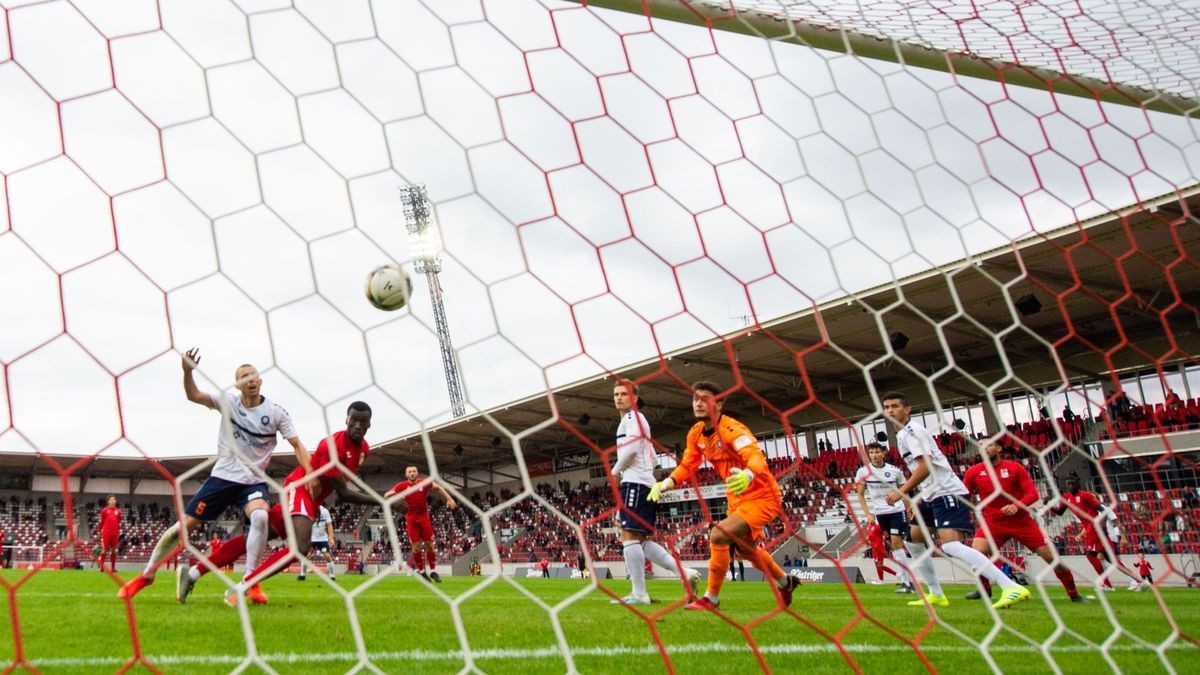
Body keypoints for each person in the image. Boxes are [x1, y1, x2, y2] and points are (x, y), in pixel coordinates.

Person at [118, 349, 314, 602]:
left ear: (260, 380)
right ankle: (146, 575)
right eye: (244, 377)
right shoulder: (228, 402)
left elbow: (297, 445)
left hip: (252, 482)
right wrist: (187, 371)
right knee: (180, 531)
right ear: (238, 384)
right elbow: (193, 395)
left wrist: (310, 474)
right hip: (222, 478)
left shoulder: (276, 413)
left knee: (261, 518)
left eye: (253, 375)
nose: (250, 380)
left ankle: (251, 582)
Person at [176, 401, 379, 604]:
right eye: (354, 420)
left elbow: (335, 483)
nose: (358, 425)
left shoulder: (364, 450)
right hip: (300, 488)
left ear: (369, 424)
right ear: (346, 420)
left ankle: (192, 573)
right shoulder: (332, 445)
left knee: (254, 538)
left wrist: (316, 505)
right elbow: (343, 493)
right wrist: (382, 501)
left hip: (312, 499)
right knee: (299, 547)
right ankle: (243, 587)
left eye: (363, 422)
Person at [648, 381, 800, 611]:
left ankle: (711, 598)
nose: (698, 403)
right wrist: (667, 482)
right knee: (747, 551)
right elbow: (688, 464)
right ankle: (785, 582)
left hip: (762, 495)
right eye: (695, 399)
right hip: (735, 498)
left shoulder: (733, 430)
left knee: (718, 535)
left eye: (705, 399)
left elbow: (756, 457)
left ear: (719, 404)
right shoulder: (696, 433)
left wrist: (748, 475)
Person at [881, 391, 1030, 610]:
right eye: (887, 407)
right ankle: (936, 593)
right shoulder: (903, 434)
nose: (890, 411)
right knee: (913, 539)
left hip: (946, 492)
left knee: (951, 545)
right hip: (931, 494)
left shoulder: (913, 432)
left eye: (895, 406)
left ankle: (1009, 585)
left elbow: (926, 466)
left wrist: (901, 492)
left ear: (907, 409)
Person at [608, 379, 701, 605]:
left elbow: (630, 452)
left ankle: (640, 594)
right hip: (644, 483)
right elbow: (650, 456)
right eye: (616, 394)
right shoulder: (637, 421)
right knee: (640, 540)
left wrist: (615, 471)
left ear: (635, 398)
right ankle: (684, 573)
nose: (619, 397)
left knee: (629, 536)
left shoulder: (633, 418)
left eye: (623, 394)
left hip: (636, 484)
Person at [961, 441, 1086, 602]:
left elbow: (1032, 494)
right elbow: (964, 496)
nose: (984, 448)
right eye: (980, 445)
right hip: (993, 521)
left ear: (999, 448)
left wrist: (1016, 505)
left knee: (1052, 559)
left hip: (1021, 521)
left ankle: (1073, 594)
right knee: (976, 553)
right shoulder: (974, 471)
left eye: (989, 444)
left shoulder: (1015, 468)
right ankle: (984, 589)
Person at [1049, 477, 1146, 591]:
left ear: (1078, 484)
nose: (1070, 486)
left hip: (1096, 530)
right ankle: (1138, 581)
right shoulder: (1067, 497)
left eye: (1072, 484)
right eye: (1068, 484)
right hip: (1091, 530)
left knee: (1092, 556)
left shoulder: (1086, 495)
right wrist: (1050, 506)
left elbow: (1104, 511)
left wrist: (1103, 526)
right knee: (1112, 561)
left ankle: (1107, 584)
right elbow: (1060, 512)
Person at [854, 442, 914, 593]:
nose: (874, 455)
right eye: (872, 452)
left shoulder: (895, 471)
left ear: (883, 453)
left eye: (877, 452)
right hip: (880, 513)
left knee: (896, 542)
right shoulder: (863, 472)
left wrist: (908, 508)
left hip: (897, 510)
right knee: (893, 546)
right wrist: (868, 513)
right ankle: (906, 580)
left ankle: (906, 583)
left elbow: (904, 491)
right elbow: (860, 494)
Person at [385, 465, 458, 582]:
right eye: (410, 472)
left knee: (430, 545)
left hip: (424, 519)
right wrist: (389, 497)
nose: (412, 473)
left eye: (414, 471)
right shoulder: (401, 486)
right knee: (416, 548)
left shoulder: (424, 483)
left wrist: (449, 499)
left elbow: (438, 487)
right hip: (411, 521)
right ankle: (422, 571)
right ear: (406, 474)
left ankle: (433, 571)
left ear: (417, 473)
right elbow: (388, 494)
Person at [299, 504, 336, 581]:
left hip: (322, 538)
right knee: (307, 556)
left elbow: (329, 525)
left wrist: (331, 537)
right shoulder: (307, 510)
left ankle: (332, 575)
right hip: (311, 538)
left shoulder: (325, 511)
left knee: (327, 556)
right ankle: (302, 575)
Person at [98, 495, 121, 573]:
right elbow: (102, 521)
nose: (112, 501)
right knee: (105, 548)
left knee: (114, 549)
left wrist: (118, 531)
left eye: (114, 499)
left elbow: (118, 522)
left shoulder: (118, 511)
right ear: (108, 501)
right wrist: (99, 530)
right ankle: (101, 566)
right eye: (111, 499)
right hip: (106, 532)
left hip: (115, 532)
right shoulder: (104, 510)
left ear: (115, 501)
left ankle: (113, 568)